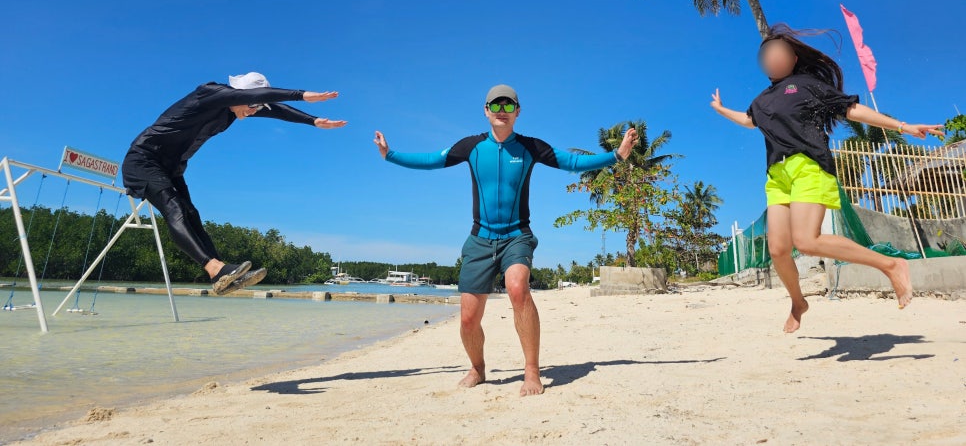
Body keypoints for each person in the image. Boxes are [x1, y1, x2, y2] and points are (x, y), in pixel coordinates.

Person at [373, 84, 638, 396]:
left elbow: (572, 162)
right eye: (495, 105)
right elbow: (432, 159)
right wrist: (390, 155)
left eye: (508, 106)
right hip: (480, 240)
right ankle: (478, 368)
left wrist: (617, 156)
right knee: (469, 319)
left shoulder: (529, 147)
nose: (502, 110)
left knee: (517, 287)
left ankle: (531, 371)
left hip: (517, 236)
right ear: (486, 111)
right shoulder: (470, 147)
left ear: (518, 111)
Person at [710, 26, 943, 333]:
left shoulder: (806, 85)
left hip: (809, 166)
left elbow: (851, 109)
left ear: (793, 58)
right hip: (777, 175)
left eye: (779, 52)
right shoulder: (761, 100)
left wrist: (902, 126)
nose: (772, 58)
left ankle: (891, 264)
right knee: (778, 249)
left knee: (807, 241)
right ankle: (798, 302)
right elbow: (748, 121)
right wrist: (721, 109)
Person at [122, 72, 347, 295]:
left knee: (191, 215)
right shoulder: (209, 94)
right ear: (239, 94)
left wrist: (313, 121)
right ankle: (215, 268)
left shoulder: (235, 109)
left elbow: (275, 110)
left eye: (257, 108)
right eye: (253, 105)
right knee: (175, 208)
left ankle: (221, 274)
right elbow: (262, 95)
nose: (252, 112)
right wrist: (302, 95)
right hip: (143, 159)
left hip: (171, 168)